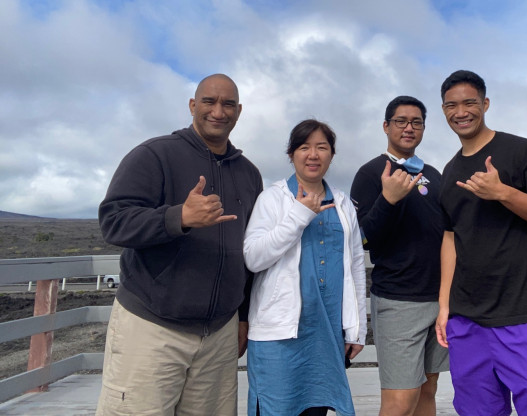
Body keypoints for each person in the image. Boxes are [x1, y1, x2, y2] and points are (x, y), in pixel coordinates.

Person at [96, 74, 263, 416]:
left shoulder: (249, 174)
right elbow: (113, 221)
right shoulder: (154, 155)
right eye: (209, 102)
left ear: (239, 111)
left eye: (228, 104)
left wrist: (243, 317)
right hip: (152, 328)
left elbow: (251, 252)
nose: (218, 111)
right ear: (192, 105)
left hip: (219, 334)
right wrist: (179, 218)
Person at [435, 70, 527, 416]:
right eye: (451, 105)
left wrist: (502, 193)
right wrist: (444, 305)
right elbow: (451, 238)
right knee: (477, 409)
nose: (460, 112)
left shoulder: (520, 151)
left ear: (485, 104)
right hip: (466, 317)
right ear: (444, 110)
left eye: (469, 103)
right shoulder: (449, 172)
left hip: (520, 308)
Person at [244, 119, 367, 416]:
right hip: (278, 335)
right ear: (291, 154)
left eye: (322, 147)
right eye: (304, 147)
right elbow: (253, 258)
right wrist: (299, 214)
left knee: (315, 410)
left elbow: (356, 268)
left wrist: (357, 329)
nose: (313, 154)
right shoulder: (272, 199)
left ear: (331, 155)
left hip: (326, 334)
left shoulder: (342, 203)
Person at [350, 96, 449, 416]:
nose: (409, 128)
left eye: (417, 122)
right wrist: (388, 200)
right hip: (398, 299)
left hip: (438, 299)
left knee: (428, 389)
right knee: (400, 399)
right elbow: (363, 239)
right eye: (401, 121)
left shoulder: (433, 174)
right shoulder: (370, 173)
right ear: (386, 126)